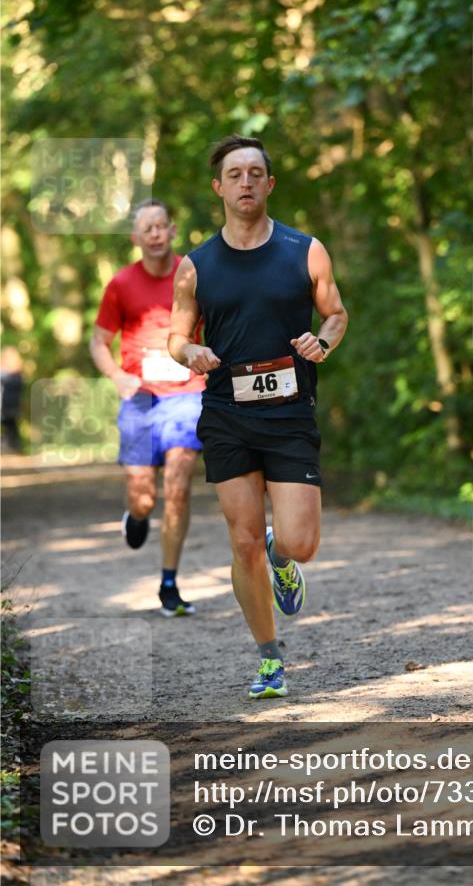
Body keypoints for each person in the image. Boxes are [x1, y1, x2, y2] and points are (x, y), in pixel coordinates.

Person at [168, 134, 348, 699]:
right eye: (234, 174)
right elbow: (176, 335)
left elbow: (336, 313)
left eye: (255, 173)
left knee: (300, 543)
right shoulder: (194, 267)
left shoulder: (305, 250)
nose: (245, 182)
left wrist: (322, 341)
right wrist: (188, 352)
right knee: (241, 540)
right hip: (227, 412)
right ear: (218, 187)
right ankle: (270, 658)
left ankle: (282, 556)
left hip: (291, 412)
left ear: (270, 184)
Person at [90, 199, 206, 617]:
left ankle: (169, 583)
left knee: (178, 483)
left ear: (173, 231)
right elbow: (98, 342)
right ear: (136, 239)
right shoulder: (121, 284)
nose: (156, 233)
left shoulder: (193, 275)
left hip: (187, 393)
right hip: (140, 399)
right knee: (144, 497)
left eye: (162, 226)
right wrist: (119, 378)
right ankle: (135, 516)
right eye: (147, 228)